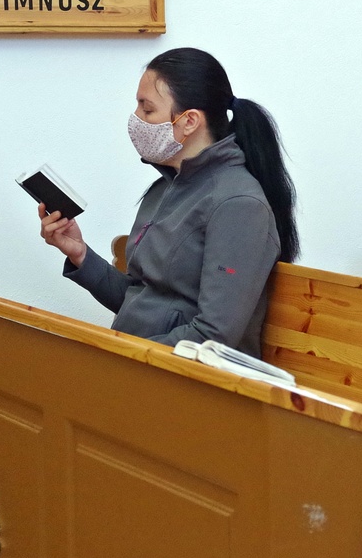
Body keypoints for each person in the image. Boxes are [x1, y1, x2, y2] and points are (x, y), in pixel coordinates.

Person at [39, 47, 299, 356]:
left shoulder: (239, 204)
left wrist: (122, 356)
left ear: (189, 121)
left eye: (147, 110)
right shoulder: (164, 188)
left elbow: (213, 337)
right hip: (144, 363)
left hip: (189, 377)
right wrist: (81, 254)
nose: (136, 119)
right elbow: (141, 302)